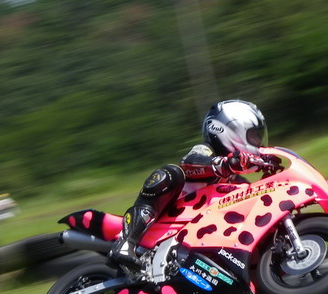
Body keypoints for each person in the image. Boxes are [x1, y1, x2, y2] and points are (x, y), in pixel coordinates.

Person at [108, 99, 269, 273]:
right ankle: (126, 242)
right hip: (168, 219)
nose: (257, 141)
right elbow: (188, 163)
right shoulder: (205, 151)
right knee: (170, 174)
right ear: (229, 130)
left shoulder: (237, 180)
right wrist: (222, 165)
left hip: (198, 235)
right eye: (253, 135)